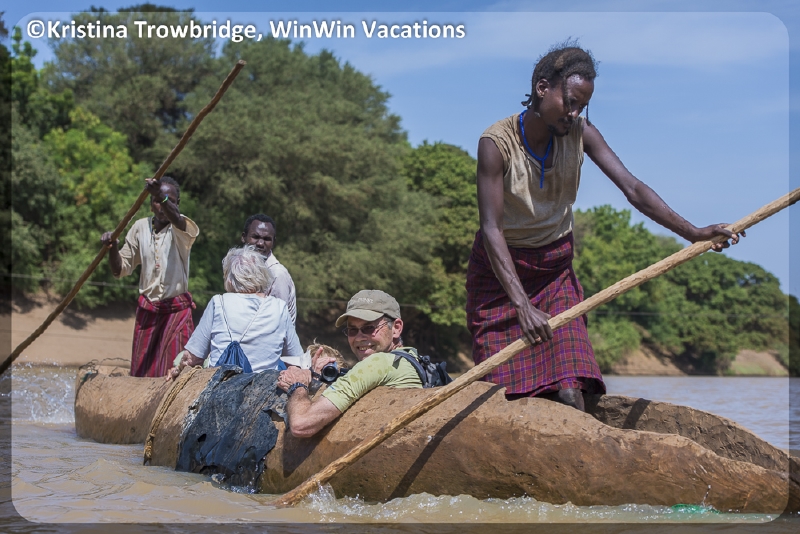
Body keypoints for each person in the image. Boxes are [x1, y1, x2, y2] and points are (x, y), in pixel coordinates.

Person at [467, 42, 743, 411]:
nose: (574, 113)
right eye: (570, 102)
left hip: (554, 273)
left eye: (582, 106)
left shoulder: (582, 133)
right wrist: (521, 305)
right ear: (542, 88)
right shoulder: (496, 144)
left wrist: (693, 233)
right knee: (502, 397)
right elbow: (492, 229)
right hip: (501, 276)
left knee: (570, 388)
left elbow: (633, 189)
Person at [276, 290, 423, 438]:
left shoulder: (378, 363)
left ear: (396, 328)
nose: (359, 337)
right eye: (352, 330)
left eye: (369, 328)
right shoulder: (413, 358)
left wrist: (298, 385)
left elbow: (301, 424)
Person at [101, 176, 199, 378]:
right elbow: (120, 269)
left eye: (169, 200)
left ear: (177, 204)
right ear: (150, 204)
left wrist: (161, 196)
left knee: (177, 372)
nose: (162, 206)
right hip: (148, 311)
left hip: (176, 312)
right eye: (156, 201)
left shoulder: (182, 228)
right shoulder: (140, 227)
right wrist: (112, 248)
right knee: (141, 373)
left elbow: (176, 217)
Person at [167, 246, 303, 380]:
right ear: (262, 276)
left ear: (230, 280)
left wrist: (178, 369)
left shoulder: (218, 303)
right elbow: (296, 360)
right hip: (265, 387)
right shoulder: (279, 307)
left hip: (221, 385)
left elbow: (192, 358)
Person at [241, 214, 297, 324]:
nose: (260, 243)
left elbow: (277, 321)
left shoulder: (277, 274)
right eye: (255, 237)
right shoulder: (239, 268)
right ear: (243, 237)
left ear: (273, 242)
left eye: (267, 239)